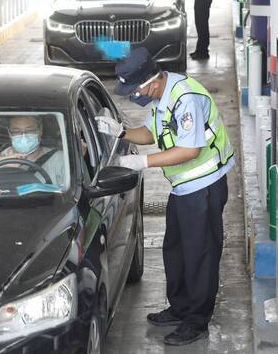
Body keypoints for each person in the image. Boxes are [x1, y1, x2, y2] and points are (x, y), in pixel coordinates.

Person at [95, 47, 234, 346]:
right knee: (176, 250)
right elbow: (152, 132)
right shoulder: (162, 97)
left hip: (203, 187)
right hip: (183, 187)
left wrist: (143, 162)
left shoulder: (185, 99)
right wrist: (122, 132)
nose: (134, 96)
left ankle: (196, 321)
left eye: (135, 90)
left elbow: (189, 150)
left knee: (200, 254)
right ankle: (180, 307)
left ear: (152, 81)